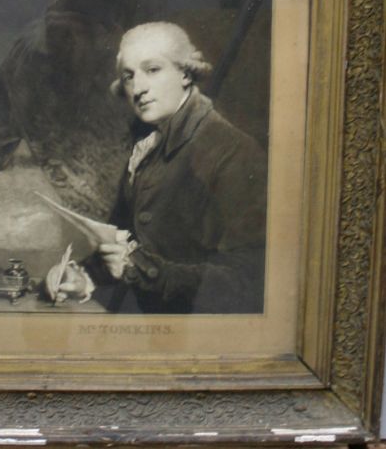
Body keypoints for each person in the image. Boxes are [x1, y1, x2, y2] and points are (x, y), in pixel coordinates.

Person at [46, 21, 267, 314]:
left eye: (152, 69)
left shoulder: (234, 152)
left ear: (185, 73)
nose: (138, 88)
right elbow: (124, 243)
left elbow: (247, 282)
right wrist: (83, 277)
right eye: (129, 76)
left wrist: (142, 268)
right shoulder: (147, 145)